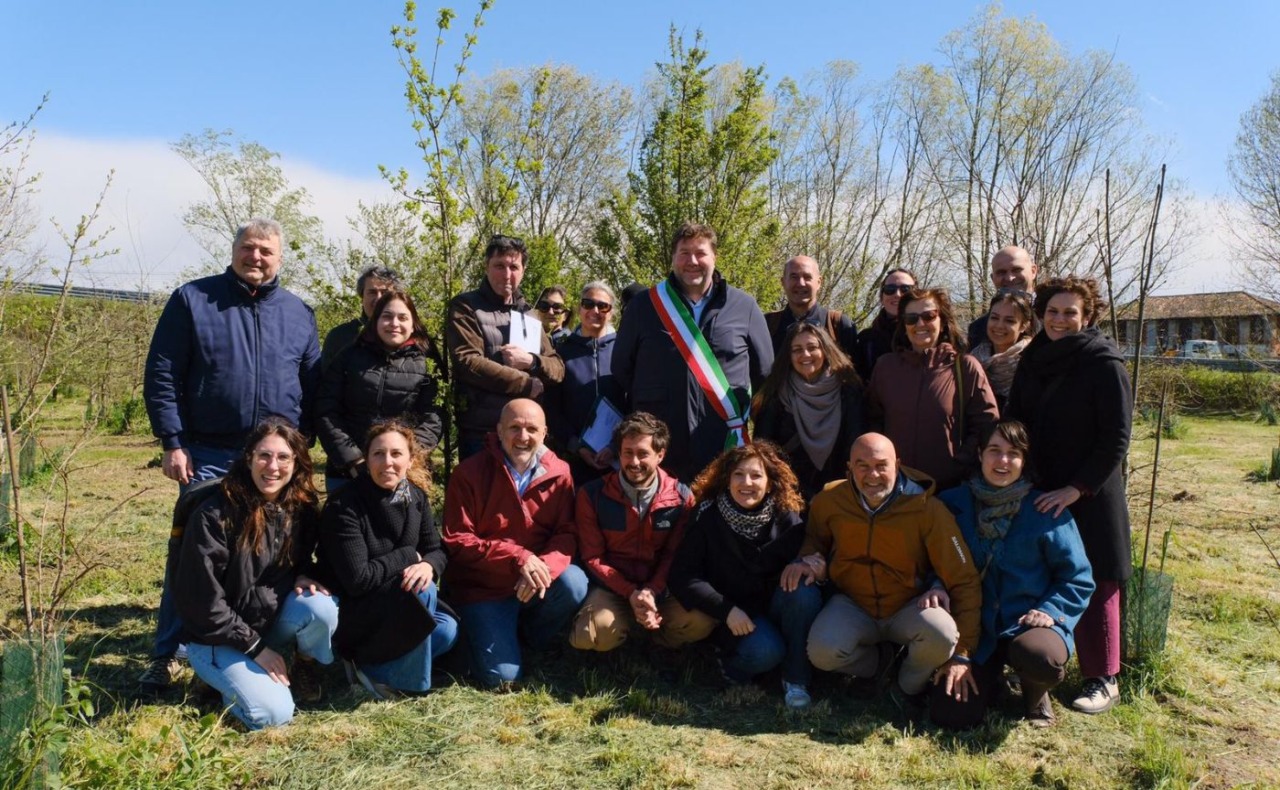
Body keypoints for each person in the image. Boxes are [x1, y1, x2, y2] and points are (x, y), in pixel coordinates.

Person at [141, 218, 322, 691]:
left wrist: (301, 446)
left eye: (266, 250)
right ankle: (168, 652)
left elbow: (313, 384)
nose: (256, 257)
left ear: (280, 258)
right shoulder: (193, 300)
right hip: (210, 452)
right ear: (234, 249)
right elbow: (163, 371)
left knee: (270, 554)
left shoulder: (299, 313)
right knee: (193, 555)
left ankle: (253, 646)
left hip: (276, 460)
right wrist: (172, 440)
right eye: (248, 247)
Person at [1006, 276, 1132, 714]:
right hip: (1041, 487)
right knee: (1043, 572)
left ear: (1088, 316)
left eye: (1070, 313)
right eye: (1053, 312)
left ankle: (1103, 678)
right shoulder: (1033, 357)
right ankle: (1038, 663)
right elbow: (1017, 418)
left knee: (1098, 577)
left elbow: (1116, 438)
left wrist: (1076, 488)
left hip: (1090, 491)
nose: (1059, 320)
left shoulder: (1103, 362)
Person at [173, 419, 338, 730]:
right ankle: (215, 681)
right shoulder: (214, 514)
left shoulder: (300, 508)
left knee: (322, 607)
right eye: (264, 455)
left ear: (296, 463)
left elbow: (303, 557)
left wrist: (304, 574)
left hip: (264, 623)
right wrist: (255, 648)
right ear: (248, 458)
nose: (273, 467)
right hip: (214, 636)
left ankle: (303, 667)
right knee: (273, 715)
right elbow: (203, 603)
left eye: (283, 457)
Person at [930, 420, 1095, 729]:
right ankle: (992, 682)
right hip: (974, 631)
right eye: (994, 450)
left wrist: (1051, 611)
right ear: (980, 454)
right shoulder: (951, 505)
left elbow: (1078, 577)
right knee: (951, 715)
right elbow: (930, 561)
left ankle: (1035, 692)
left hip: (1027, 626)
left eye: (1013, 453)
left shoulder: (1045, 509)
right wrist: (935, 585)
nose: (1003, 461)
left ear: (1024, 460)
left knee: (1040, 658)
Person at [804, 433, 981, 717]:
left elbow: (964, 578)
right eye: (862, 466)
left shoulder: (927, 508)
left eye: (881, 465)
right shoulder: (829, 501)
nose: (872, 475)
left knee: (943, 634)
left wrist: (963, 652)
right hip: (853, 603)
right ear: (849, 468)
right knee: (821, 653)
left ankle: (908, 685)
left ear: (897, 464)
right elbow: (814, 541)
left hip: (908, 604)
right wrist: (807, 560)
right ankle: (878, 665)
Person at [441, 399, 589, 688]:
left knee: (574, 583)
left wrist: (543, 568)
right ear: (499, 431)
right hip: (483, 589)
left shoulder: (560, 472)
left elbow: (567, 533)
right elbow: (457, 539)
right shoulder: (469, 473)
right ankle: (488, 635)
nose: (523, 437)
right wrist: (518, 558)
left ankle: (528, 639)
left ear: (544, 433)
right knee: (501, 680)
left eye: (532, 429)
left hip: (533, 583)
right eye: (514, 428)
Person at [667, 441, 823, 709]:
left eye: (756, 475)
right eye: (738, 474)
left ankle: (795, 679)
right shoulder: (708, 517)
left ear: (770, 483)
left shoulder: (788, 518)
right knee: (766, 651)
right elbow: (683, 576)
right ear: (727, 480)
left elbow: (809, 556)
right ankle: (732, 668)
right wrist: (726, 610)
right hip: (734, 615)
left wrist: (811, 565)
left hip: (774, 606)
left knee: (804, 593)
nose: (746, 482)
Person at [613, 222, 773, 482]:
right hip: (659, 441)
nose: (692, 261)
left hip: (723, 441)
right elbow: (621, 368)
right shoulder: (643, 306)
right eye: (684, 253)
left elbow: (764, 372)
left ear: (715, 257)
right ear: (673, 258)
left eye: (700, 253)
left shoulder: (744, 306)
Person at [321, 421, 458, 698]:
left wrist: (428, 564)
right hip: (358, 607)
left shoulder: (414, 497)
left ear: (410, 460)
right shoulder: (344, 505)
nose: (388, 462)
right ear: (366, 459)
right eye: (378, 454)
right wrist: (409, 555)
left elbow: (436, 549)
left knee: (447, 629)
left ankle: (374, 665)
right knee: (423, 590)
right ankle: (393, 680)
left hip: (398, 599)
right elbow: (358, 580)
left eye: (396, 454)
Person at [570, 412, 694, 653]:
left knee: (698, 621)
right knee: (590, 634)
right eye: (628, 453)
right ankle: (623, 627)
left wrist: (651, 590)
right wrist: (630, 592)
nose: (634, 462)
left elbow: (674, 555)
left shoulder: (682, 498)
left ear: (660, 455)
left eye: (643, 453)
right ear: (619, 453)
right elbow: (592, 556)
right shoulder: (592, 495)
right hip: (612, 587)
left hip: (661, 588)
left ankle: (657, 642)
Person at [867, 287, 999, 491]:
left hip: (949, 489)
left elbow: (986, 424)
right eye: (911, 318)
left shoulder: (965, 367)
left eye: (929, 316)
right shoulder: (885, 367)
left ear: (943, 321)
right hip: (896, 488)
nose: (920, 324)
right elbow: (872, 420)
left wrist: (960, 462)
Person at [446, 234, 565, 460]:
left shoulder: (529, 314)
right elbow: (467, 362)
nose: (507, 274)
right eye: (499, 266)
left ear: (523, 270)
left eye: (514, 267)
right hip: (483, 433)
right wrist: (526, 384)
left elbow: (558, 368)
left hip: (526, 433)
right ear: (486, 266)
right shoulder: (466, 306)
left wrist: (532, 361)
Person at [316, 288, 444, 494]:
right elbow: (326, 409)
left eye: (402, 317)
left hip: (405, 472)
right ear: (375, 321)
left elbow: (435, 417)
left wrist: (405, 458)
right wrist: (353, 460)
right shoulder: (349, 356)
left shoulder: (427, 362)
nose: (394, 323)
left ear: (413, 324)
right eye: (387, 316)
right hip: (348, 473)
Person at [752, 322, 867, 499]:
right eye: (797, 350)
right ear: (788, 355)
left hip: (839, 492)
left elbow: (855, 444)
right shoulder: (775, 393)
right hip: (789, 493)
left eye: (812, 347)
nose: (805, 354)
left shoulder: (848, 390)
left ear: (825, 350)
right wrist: (791, 490)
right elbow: (763, 449)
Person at [546, 282, 626, 484]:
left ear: (612, 312)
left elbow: (634, 401)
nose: (595, 311)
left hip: (620, 459)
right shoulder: (562, 352)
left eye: (603, 306)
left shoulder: (625, 349)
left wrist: (616, 446)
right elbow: (552, 408)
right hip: (573, 460)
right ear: (579, 308)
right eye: (588, 304)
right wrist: (576, 446)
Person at [764, 255, 858, 360]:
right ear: (783, 282)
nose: (801, 283)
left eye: (807, 277)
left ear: (819, 282)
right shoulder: (767, 325)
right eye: (794, 277)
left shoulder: (838, 325)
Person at [320, 265, 401, 370]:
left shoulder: (407, 336)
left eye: (385, 292)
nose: (379, 298)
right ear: (362, 297)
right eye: (372, 292)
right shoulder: (339, 337)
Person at [970, 290, 1035, 414]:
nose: (999, 326)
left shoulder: (1032, 363)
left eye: (1009, 321)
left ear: (1024, 326)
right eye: (994, 318)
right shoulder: (972, 361)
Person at [967, 246, 1038, 349]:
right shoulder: (978, 328)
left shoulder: (1052, 318)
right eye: (1001, 272)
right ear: (993, 278)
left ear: (1033, 271)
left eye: (1017, 270)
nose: (1010, 278)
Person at [853, 268, 916, 382]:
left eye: (905, 289)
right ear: (882, 297)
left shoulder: (927, 334)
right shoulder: (866, 340)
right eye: (890, 289)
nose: (897, 294)